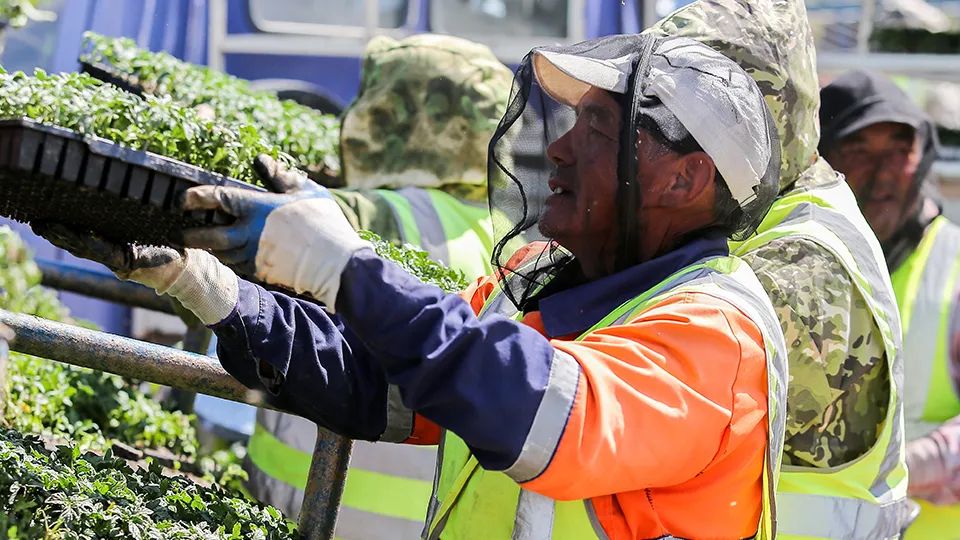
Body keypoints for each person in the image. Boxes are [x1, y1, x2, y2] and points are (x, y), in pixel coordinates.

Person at [39, 35, 789, 539]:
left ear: (685, 176)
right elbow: (386, 386)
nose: (558, 147)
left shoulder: (712, 332)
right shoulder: (543, 285)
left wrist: (349, 268)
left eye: (597, 131)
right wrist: (210, 291)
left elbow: (550, 419)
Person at [644, 0, 916, 537]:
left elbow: (649, 406)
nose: (665, 132)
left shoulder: (800, 258)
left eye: (693, 111)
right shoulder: (765, 215)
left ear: (757, 113)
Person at [240, 33, 512, 538]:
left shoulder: (380, 213)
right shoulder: (520, 233)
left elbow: (261, 239)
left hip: (306, 509)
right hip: (422, 522)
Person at [819, 69, 959, 539]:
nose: (882, 174)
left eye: (901, 151)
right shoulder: (791, 264)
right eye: (858, 151)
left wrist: (898, 468)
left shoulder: (954, 267)